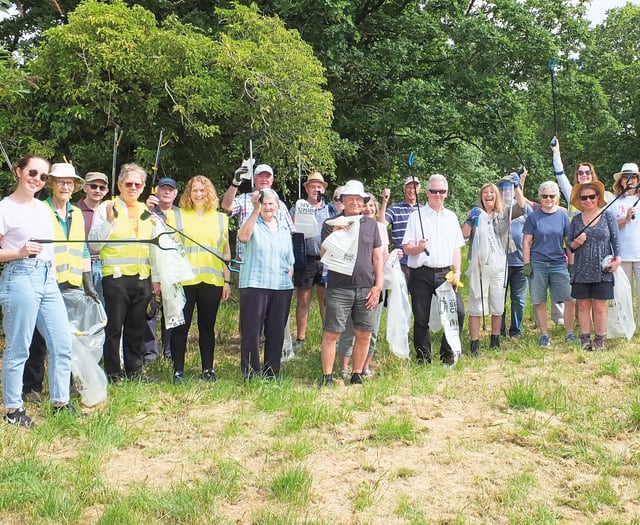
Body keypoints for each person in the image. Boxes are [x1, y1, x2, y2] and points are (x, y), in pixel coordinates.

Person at [0, 154, 78, 427]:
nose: (37, 180)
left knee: (62, 343)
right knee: (18, 347)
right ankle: (13, 410)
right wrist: (18, 252)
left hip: (47, 278)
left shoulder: (42, 208)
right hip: (19, 277)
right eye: (33, 173)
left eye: (43, 177)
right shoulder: (4, 208)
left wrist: (53, 277)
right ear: (18, 171)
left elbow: (50, 250)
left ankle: (61, 403)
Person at [23, 163, 99, 402]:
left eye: (69, 183)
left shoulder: (76, 213)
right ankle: (32, 386)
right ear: (51, 184)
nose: (65, 186)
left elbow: (83, 249)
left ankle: (65, 385)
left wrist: (89, 284)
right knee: (37, 338)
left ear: (76, 187)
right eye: (60, 182)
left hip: (72, 282)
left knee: (68, 338)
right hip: (45, 281)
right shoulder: (39, 209)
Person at [89, 163, 159, 383]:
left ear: (143, 187)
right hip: (116, 278)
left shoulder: (147, 212)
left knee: (137, 327)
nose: (133, 187)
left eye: (138, 184)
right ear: (119, 185)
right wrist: (110, 221)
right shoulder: (106, 208)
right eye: (128, 183)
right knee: (113, 328)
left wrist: (155, 279)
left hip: (142, 277)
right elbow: (95, 244)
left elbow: (154, 249)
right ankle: (113, 373)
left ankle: (134, 370)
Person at [220, 162, 296, 360]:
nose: (264, 179)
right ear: (254, 179)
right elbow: (226, 206)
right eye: (260, 176)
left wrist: (290, 271)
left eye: (267, 177)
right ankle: (248, 359)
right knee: (251, 321)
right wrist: (236, 183)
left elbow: (289, 235)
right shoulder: (245, 199)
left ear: (272, 180)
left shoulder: (279, 205)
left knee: (274, 324)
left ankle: (275, 359)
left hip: (277, 275)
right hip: (249, 269)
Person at [320, 180, 383, 386]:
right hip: (339, 287)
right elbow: (322, 255)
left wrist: (378, 286)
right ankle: (327, 376)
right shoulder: (331, 223)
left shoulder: (371, 225)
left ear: (364, 202)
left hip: (366, 287)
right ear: (343, 201)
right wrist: (336, 233)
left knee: (364, 332)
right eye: (350, 199)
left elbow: (377, 258)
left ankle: (356, 374)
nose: (355, 202)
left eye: (359, 199)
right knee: (333, 332)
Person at [169, 176, 231, 383]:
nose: (198, 194)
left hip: (212, 280)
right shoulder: (176, 216)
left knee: (207, 327)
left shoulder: (221, 218)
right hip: (185, 280)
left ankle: (208, 369)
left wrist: (227, 281)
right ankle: (178, 370)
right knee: (181, 327)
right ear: (188, 192)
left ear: (209, 192)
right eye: (194, 190)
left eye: (202, 190)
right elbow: (168, 251)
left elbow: (225, 253)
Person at [402, 174, 465, 365]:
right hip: (421, 273)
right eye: (434, 191)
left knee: (457, 313)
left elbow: (456, 248)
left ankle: (447, 354)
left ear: (446, 193)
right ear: (427, 193)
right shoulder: (416, 216)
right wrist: (418, 248)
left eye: (442, 191)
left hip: (445, 273)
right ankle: (423, 358)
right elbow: (407, 247)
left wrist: (458, 271)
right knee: (421, 318)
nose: (438, 194)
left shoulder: (452, 217)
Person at [462, 177, 526, 355]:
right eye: (485, 193)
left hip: (500, 265)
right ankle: (474, 343)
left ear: (496, 195)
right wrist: (469, 220)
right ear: (481, 197)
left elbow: (522, 207)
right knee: (476, 303)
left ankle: (495, 339)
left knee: (498, 302)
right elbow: (464, 236)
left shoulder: (504, 212)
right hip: (479, 265)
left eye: (491, 192)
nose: (488, 195)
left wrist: (517, 186)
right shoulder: (475, 213)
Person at [237, 188, 294, 380]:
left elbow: (290, 257)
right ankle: (251, 372)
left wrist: (289, 272)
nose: (268, 207)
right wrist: (255, 210)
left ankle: (272, 372)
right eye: (264, 203)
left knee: (276, 331)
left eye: (271, 203)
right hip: (255, 284)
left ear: (278, 206)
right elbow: (243, 237)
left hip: (281, 286)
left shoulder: (284, 227)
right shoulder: (254, 222)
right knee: (252, 332)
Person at [337, 194, 391, 378]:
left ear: (375, 210)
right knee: (348, 330)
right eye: (365, 206)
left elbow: (381, 256)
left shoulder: (379, 228)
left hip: (373, 283)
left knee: (370, 330)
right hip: (349, 284)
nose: (368, 209)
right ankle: (344, 366)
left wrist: (378, 284)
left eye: (371, 207)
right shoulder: (346, 224)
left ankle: (363, 367)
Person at [522, 181, 577, 347]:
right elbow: (526, 242)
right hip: (538, 263)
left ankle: (569, 333)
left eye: (551, 196)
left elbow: (568, 242)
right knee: (539, 301)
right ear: (540, 197)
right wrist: (527, 264)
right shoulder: (533, 217)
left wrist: (571, 265)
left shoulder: (563, 216)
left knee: (570, 299)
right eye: (544, 196)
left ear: (557, 198)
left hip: (558, 263)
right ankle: (544, 334)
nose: (548, 199)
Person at [567, 181, 621, 350]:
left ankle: (599, 340)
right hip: (581, 268)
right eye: (584, 197)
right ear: (579, 200)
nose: (588, 200)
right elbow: (569, 245)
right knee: (583, 305)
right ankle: (584, 339)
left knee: (599, 306)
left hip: (602, 269)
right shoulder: (575, 220)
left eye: (592, 196)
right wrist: (576, 242)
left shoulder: (608, 215)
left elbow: (615, 239)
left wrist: (618, 258)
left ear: (598, 197)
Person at [290, 172, 337, 349]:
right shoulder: (298, 208)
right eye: (312, 186)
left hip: (327, 259)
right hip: (306, 258)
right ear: (306, 189)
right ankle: (300, 338)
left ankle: (329, 334)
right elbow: (290, 228)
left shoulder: (331, 209)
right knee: (303, 297)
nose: (316, 189)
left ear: (324, 189)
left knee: (326, 298)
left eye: (319, 186)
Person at [144, 176, 179, 361]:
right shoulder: (147, 211)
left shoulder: (180, 214)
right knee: (150, 312)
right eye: (163, 188)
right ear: (156, 191)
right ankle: (150, 352)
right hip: (151, 266)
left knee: (172, 311)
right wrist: (146, 209)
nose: (167, 192)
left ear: (175, 193)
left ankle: (170, 351)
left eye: (170, 189)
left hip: (173, 268)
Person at [498, 172, 533, 338]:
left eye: (509, 188)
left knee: (518, 299)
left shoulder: (523, 207)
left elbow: (533, 230)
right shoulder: (495, 209)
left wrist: (519, 183)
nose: (506, 191)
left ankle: (516, 331)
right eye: (503, 188)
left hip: (520, 261)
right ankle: (499, 330)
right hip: (500, 262)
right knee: (500, 298)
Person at [610, 163, 640, 325]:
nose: (630, 180)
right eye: (626, 176)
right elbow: (610, 227)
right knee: (624, 292)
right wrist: (626, 220)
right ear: (621, 181)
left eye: (633, 176)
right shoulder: (613, 201)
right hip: (623, 254)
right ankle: (626, 322)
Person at [76, 171, 110, 305]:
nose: (97, 190)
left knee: (103, 309)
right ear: (85, 187)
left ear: (106, 191)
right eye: (93, 186)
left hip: (105, 265)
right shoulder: (73, 210)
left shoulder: (112, 210)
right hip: (81, 265)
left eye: (102, 188)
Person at [380, 176, 421, 281]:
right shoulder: (395, 208)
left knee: (419, 296)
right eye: (409, 187)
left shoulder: (423, 210)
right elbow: (381, 224)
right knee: (401, 296)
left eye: (414, 187)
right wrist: (384, 202)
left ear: (419, 190)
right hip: (401, 260)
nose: (412, 190)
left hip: (419, 260)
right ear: (404, 189)